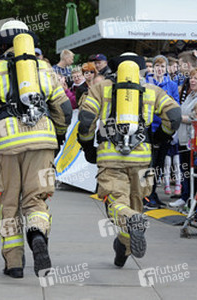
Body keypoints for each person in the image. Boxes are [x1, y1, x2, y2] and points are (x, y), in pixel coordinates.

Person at [0, 20, 72, 279]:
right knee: (37, 198)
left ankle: (14, 263)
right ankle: (37, 235)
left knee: (9, 202)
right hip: (43, 140)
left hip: (7, 144)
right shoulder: (45, 68)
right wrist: (57, 135)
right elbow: (65, 109)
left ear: (1, 45)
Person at [78, 53, 181, 268]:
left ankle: (130, 222)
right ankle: (123, 250)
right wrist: (160, 137)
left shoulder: (101, 88)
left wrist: (88, 146)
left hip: (111, 158)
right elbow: (174, 116)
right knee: (136, 204)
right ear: (142, 69)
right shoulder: (153, 90)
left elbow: (86, 120)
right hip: (142, 159)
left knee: (116, 203)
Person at [143, 54, 180, 209]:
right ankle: (146, 194)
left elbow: (175, 104)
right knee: (149, 163)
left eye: (162, 66)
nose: (159, 69)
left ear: (166, 69)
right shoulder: (146, 83)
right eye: (157, 66)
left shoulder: (171, 85)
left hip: (164, 129)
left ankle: (153, 192)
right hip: (149, 128)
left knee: (159, 163)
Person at [169, 68, 197, 208]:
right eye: (191, 78)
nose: (192, 81)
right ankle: (185, 196)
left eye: (196, 78)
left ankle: (191, 199)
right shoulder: (190, 95)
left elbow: (196, 116)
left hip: (193, 138)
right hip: (183, 137)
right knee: (185, 170)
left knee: (192, 171)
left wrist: (179, 118)